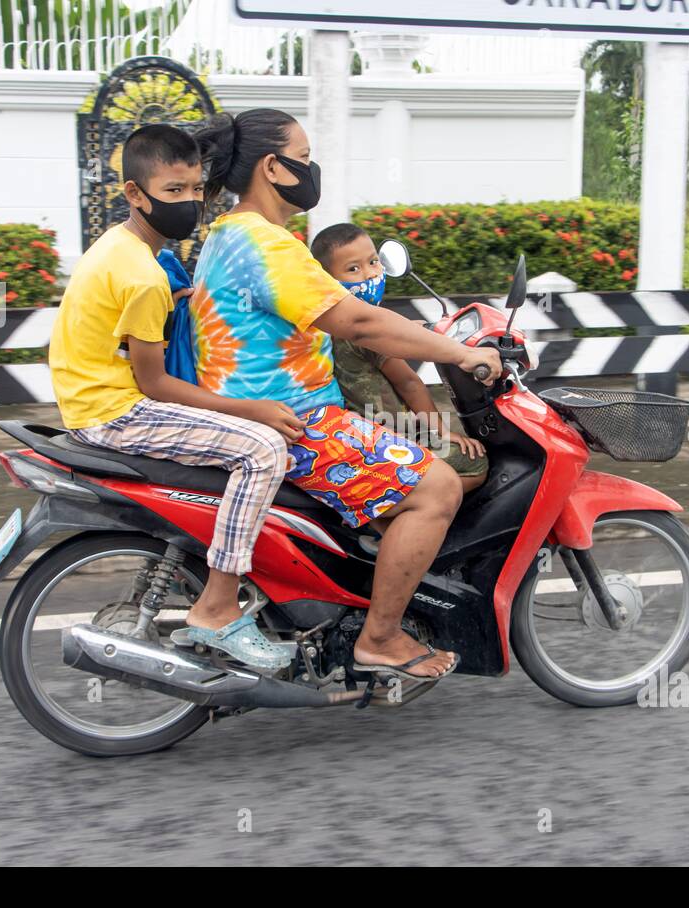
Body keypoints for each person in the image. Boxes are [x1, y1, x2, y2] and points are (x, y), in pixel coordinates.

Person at [191, 108, 503, 683]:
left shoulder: (228, 234)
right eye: (304, 159)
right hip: (298, 422)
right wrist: (459, 353)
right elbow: (361, 323)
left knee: (402, 456)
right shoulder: (269, 246)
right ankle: (379, 639)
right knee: (435, 487)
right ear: (272, 167)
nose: (311, 170)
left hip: (266, 411)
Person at [47, 123, 304, 672]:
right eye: (172, 192)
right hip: (115, 413)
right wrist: (254, 408)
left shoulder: (123, 248)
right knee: (262, 450)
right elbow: (155, 384)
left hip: (91, 397)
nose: (188, 203)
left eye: (193, 190)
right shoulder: (142, 275)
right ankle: (218, 608)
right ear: (134, 194)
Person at [310, 222, 488, 493]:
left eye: (373, 262)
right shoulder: (366, 330)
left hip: (361, 435)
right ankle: (413, 514)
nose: (369, 274)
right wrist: (441, 433)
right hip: (391, 439)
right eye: (353, 269)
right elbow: (409, 384)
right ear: (327, 280)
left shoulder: (329, 325)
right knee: (476, 464)